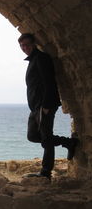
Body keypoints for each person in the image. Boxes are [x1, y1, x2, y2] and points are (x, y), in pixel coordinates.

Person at [19, 33, 78, 180]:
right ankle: (68, 142)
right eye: (22, 46)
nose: (24, 48)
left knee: (46, 139)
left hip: (44, 105)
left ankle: (46, 172)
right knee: (32, 136)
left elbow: (49, 82)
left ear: (34, 44)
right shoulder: (33, 60)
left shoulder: (41, 58)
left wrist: (46, 105)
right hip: (35, 107)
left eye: (27, 44)